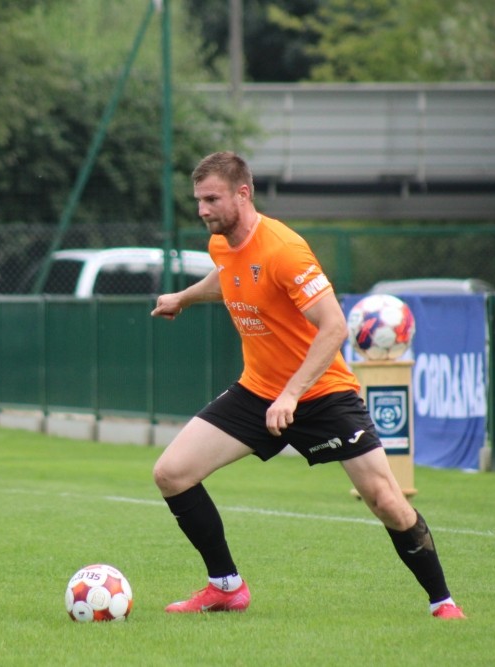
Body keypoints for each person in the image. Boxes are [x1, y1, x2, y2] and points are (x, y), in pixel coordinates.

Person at [149, 151, 465, 619]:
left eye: (211, 199)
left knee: (387, 501)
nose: (202, 210)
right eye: (198, 200)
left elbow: (334, 326)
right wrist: (185, 297)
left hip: (322, 393)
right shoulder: (221, 244)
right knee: (171, 473)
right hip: (259, 391)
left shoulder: (284, 249)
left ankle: (443, 602)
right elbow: (228, 276)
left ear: (243, 193)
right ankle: (226, 587)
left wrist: (292, 393)